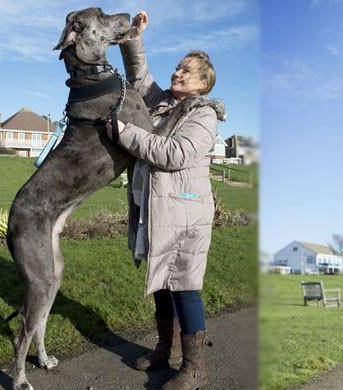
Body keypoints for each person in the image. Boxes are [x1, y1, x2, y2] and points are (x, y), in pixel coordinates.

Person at [106, 11, 226, 390]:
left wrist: (123, 133)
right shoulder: (163, 104)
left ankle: (195, 368)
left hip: (186, 213)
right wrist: (135, 37)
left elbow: (174, 153)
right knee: (161, 280)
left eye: (186, 71)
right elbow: (140, 78)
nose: (177, 74)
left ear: (203, 84)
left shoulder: (204, 115)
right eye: (177, 67)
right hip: (158, 212)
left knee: (185, 286)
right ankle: (165, 351)